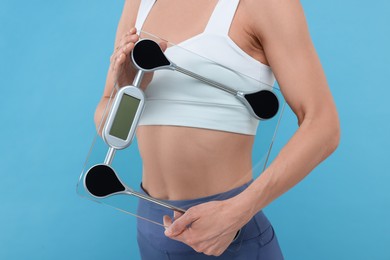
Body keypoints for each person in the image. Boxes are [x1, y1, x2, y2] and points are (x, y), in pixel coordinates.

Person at [94, 0, 340, 259]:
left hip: (230, 233)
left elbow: (324, 125)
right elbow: (105, 117)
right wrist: (132, 91)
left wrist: (238, 212)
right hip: (151, 226)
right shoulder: (139, 3)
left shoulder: (266, 4)